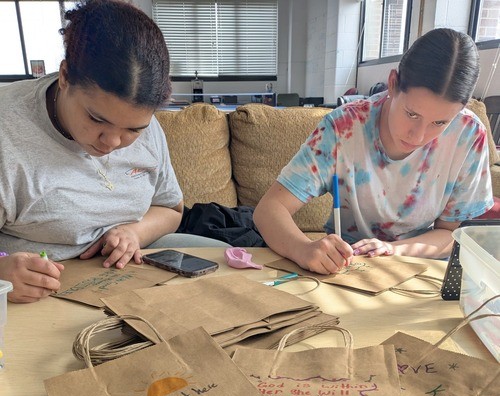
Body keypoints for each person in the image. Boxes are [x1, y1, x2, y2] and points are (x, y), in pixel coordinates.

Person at [0, 0, 226, 304]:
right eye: (96, 119)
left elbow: (171, 209)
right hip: (38, 286)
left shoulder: (150, 128)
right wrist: (2, 272)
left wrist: (135, 232)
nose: (112, 143)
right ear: (65, 76)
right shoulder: (8, 130)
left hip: (131, 267)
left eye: (133, 129)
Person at [253, 28, 494, 275]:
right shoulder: (343, 127)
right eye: (412, 114)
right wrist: (302, 249)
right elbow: (269, 210)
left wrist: (392, 249)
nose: (418, 136)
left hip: (419, 269)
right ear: (392, 84)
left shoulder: (469, 134)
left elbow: (452, 234)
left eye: (440, 122)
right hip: (349, 267)